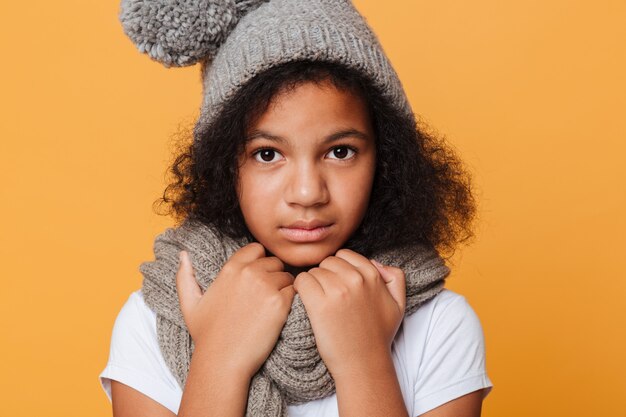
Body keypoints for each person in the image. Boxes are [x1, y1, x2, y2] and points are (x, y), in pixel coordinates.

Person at [99, 0, 494, 416]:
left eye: (340, 151)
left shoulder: (438, 325)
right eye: (268, 154)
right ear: (222, 162)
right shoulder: (155, 320)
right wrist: (219, 357)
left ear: (387, 158)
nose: (307, 193)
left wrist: (363, 359)